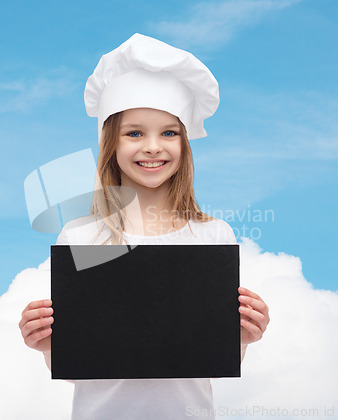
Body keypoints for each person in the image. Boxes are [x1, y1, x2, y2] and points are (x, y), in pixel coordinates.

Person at [19, 33, 270, 419]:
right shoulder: (82, 236)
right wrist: (47, 344)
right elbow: (79, 365)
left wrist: (243, 337)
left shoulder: (212, 236)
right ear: (111, 144)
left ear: (184, 144)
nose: (153, 147)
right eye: (134, 133)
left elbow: (209, 356)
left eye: (169, 132)